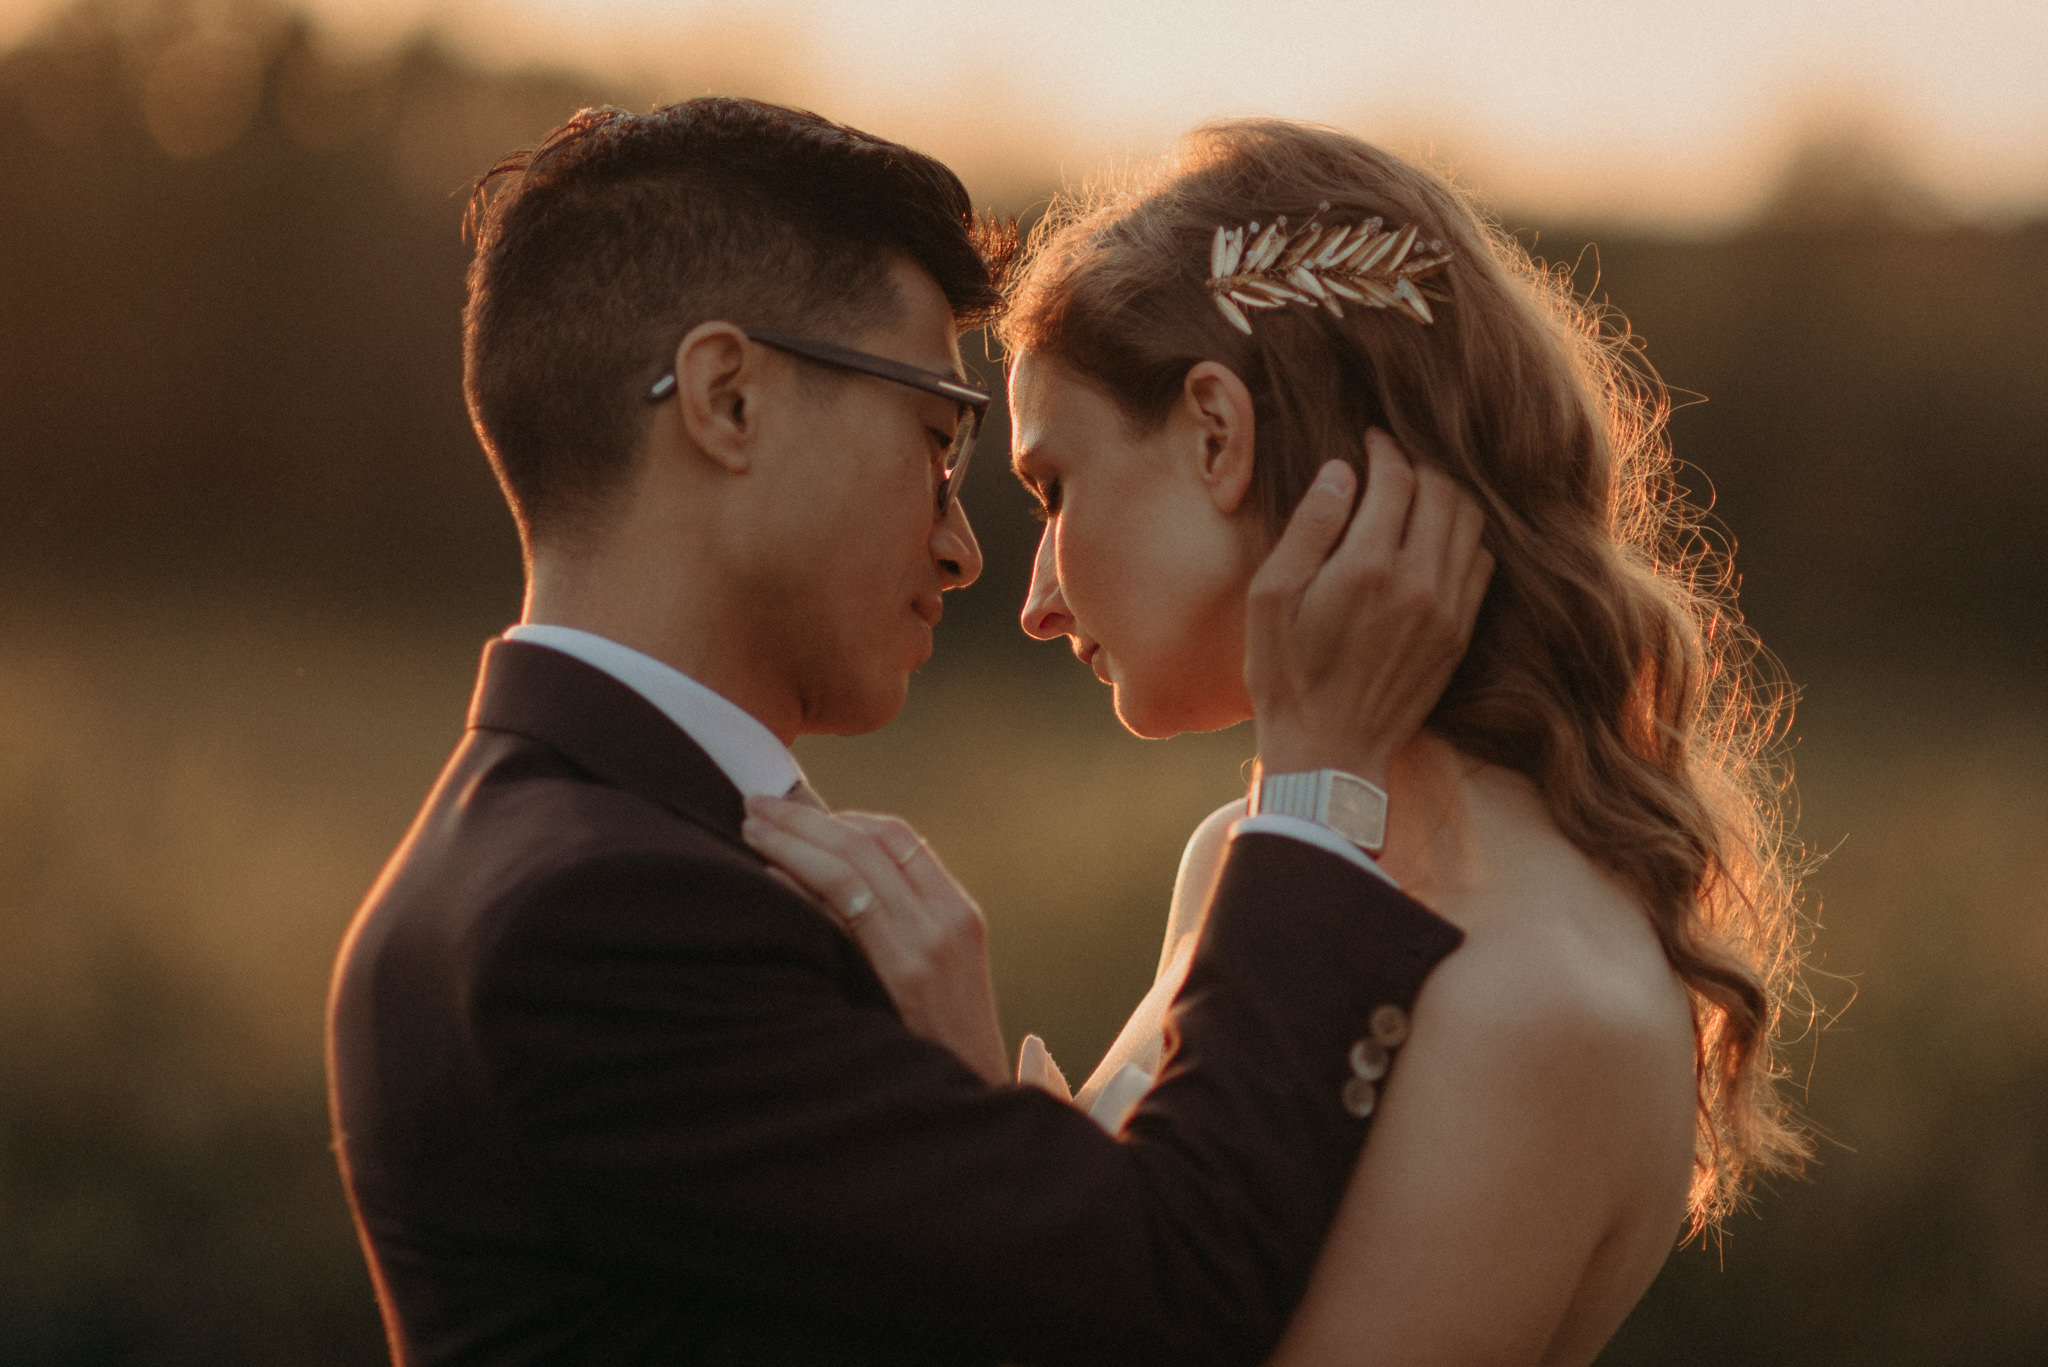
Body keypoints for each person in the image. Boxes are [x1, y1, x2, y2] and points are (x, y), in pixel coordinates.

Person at [325, 98, 1493, 1366]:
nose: (962, 544)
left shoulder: (535, 862)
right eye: (935, 441)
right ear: (727, 399)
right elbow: (1161, 1300)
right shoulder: (603, 919)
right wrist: (1320, 788)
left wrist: (973, 1116)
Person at [755, 120, 1812, 1366]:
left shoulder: (1540, 1000)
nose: (1034, 596)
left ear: (1216, 433)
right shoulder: (1243, 857)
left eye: (1053, 489)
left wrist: (965, 1114)